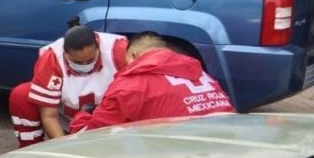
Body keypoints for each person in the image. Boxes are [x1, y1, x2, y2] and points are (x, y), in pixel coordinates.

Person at [70, 32, 234, 132]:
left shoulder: (131, 84)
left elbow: (90, 136)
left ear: (134, 55)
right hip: (228, 137)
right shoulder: (200, 73)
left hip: (182, 154)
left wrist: (82, 116)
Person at [8, 23, 127, 147]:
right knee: (21, 95)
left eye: (90, 60)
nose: (85, 65)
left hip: (111, 119)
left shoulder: (118, 51)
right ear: (65, 53)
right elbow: (49, 117)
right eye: (78, 62)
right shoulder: (52, 57)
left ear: (98, 46)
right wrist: (65, 148)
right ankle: (31, 150)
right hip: (68, 120)